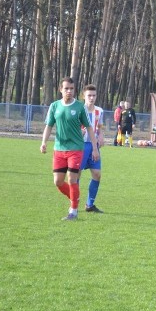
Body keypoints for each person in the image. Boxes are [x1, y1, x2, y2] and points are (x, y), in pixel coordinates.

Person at [39, 77, 99, 221]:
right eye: (66, 88)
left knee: (72, 179)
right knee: (58, 182)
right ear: (61, 89)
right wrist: (43, 142)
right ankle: (75, 199)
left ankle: (73, 210)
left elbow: (90, 128)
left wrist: (95, 148)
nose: (69, 91)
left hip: (76, 149)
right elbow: (49, 126)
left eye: (72, 89)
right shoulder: (54, 106)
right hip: (59, 149)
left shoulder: (79, 107)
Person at [79, 84, 104, 213]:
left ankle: (90, 204)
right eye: (89, 95)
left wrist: (102, 136)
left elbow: (100, 127)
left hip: (94, 146)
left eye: (94, 95)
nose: (92, 98)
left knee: (97, 174)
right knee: (76, 174)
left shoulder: (99, 111)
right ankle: (74, 204)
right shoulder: (78, 109)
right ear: (84, 96)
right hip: (80, 146)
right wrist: (79, 132)